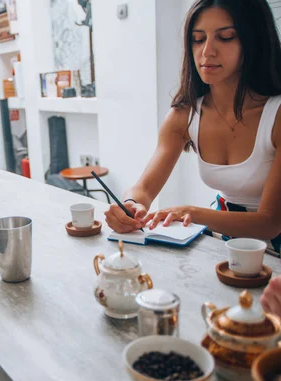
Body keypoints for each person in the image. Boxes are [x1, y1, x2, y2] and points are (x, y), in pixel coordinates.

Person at [104, 0, 281, 258]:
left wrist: (192, 213)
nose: (207, 51)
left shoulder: (275, 115)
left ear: (253, 41)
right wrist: (130, 205)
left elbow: (269, 222)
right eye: (198, 40)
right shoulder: (183, 116)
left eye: (226, 37)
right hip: (223, 243)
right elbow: (143, 188)